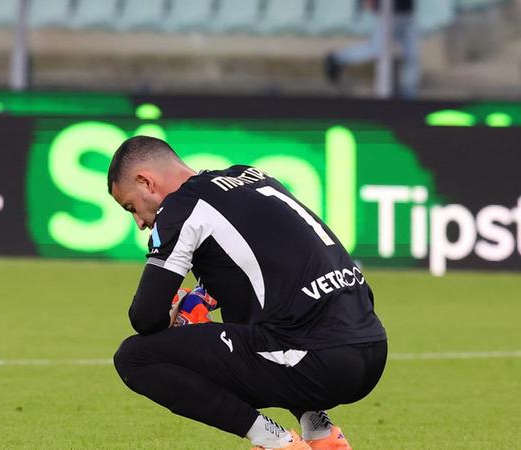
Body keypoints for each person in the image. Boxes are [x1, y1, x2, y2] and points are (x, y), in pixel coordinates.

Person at [108, 136, 387, 450]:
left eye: (131, 207)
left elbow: (145, 317)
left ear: (146, 182)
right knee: (263, 315)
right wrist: (198, 299)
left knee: (135, 358)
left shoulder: (181, 208)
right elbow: (261, 270)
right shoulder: (250, 176)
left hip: (320, 361)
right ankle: (320, 432)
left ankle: (276, 443)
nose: (140, 222)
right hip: (372, 347)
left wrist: (179, 316)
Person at [325, 0, 419, 98]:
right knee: (376, 49)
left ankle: (409, 92)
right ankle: (337, 58)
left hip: (408, 14)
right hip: (388, 14)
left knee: (411, 56)